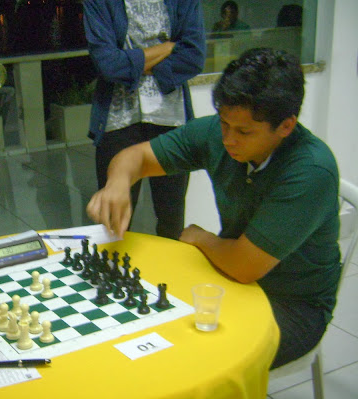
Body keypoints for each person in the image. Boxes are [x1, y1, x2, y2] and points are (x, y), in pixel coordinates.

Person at [86, 47, 341, 372]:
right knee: (144, 329)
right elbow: (134, 157)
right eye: (224, 124)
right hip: (232, 280)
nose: (229, 139)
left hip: (292, 304)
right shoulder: (218, 134)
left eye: (244, 132)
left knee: (190, 359)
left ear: (286, 126)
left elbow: (244, 266)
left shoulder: (310, 171)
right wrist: (118, 183)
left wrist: (201, 238)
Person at [83, 0, 206, 240]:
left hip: (172, 119)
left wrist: (131, 63)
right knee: (114, 224)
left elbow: (194, 57)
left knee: (172, 223)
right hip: (117, 119)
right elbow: (108, 64)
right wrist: (168, 48)